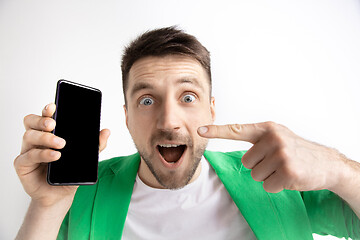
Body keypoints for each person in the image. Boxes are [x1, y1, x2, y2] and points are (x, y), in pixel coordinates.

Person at [14, 26, 360, 240]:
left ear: (211, 109)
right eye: (147, 100)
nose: (169, 120)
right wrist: (47, 206)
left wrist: (339, 169)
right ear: (127, 117)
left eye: (188, 97)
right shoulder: (81, 191)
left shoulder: (274, 177)